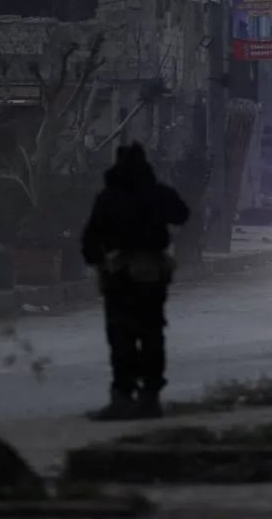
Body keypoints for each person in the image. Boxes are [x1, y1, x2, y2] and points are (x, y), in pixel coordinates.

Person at [81, 143, 190, 421]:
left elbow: (91, 238)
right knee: (151, 333)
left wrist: (99, 260)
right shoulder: (157, 193)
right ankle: (149, 396)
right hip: (152, 273)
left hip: (119, 274)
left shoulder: (109, 197)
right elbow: (182, 214)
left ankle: (123, 396)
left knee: (121, 337)